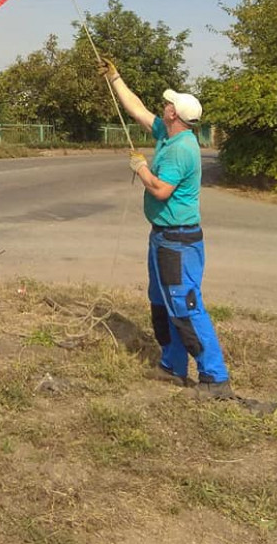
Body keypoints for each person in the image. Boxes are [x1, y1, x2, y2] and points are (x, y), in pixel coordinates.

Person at [99, 57, 233, 400]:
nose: (164, 105)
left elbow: (160, 190)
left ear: (175, 114)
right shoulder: (168, 134)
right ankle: (173, 366)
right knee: (161, 303)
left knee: (185, 305)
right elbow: (138, 110)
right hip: (163, 237)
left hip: (178, 242)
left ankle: (214, 378)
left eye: (168, 103)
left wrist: (141, 168)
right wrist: (115, 78)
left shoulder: (182, 150)